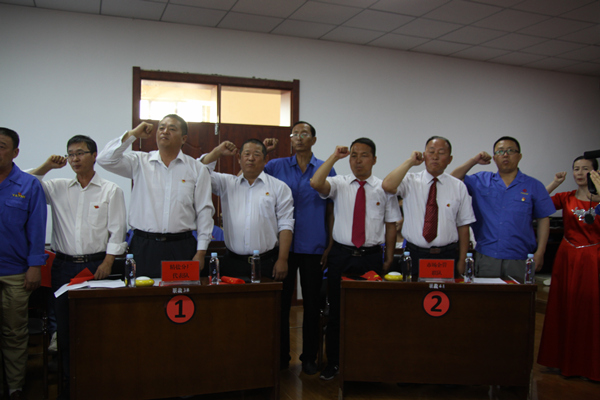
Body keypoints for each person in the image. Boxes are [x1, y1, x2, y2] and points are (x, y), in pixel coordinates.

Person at [27, 135, 127, 399]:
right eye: (70, 154)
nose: (74, 159)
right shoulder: (57, 187)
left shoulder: (110, 190)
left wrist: (108, 262)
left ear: (94, 156)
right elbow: (24, 183)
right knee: (65, 330)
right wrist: (47, 166)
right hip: (63, 267)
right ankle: (68, 384)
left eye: (80, 153)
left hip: (96, 266)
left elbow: (118, 231)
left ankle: (97, 380)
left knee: (96, 327)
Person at [310, 138, 400, 380]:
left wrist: (388, 258)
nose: (358, 160)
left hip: (371, 258)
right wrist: (334, 157)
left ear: (374, 159)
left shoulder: (384, 187)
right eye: (353, 155)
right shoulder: (339, 183)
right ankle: (334, 362)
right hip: (341, 256)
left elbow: (391, 225)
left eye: (364, 155)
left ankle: (366, 363)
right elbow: (316, 183)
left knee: (370, 312)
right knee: (337, 312)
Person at [97, 115, 214, 277]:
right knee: (142, 292)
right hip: (144, 246)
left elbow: (204, 212)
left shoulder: (197, 169)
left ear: (184, 138)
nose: (165, 132)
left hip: (181, 247)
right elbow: (104, 160)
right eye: (161, 128)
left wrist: (201, 252)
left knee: (181, 292)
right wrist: (133, 134)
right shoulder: (140, 162)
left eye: (172, 129)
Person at [261, 121, 335, 375]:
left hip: (315, 245)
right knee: (281, 305)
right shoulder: (275, 166)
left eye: (305, 134)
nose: (299, 138)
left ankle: (309, 357)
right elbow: (248, 177)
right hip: (282, 248)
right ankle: (281, 356)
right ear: (290, 139)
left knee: (312, 305)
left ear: (314, 140)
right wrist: (265, 151)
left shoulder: (326, 168)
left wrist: (330, 244)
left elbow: (331, 210)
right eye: (295, 134)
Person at [451, 136, 555, 279]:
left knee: (519, 294)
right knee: (487, 294)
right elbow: (452, 180)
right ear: (494, 158)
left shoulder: (534, 185)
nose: (505, 155)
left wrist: (540, 252)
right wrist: (474, 160)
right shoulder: (481, 180)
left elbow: (543, 219)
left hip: (520, 257)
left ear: (519, 156)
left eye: (510, 151)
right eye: (500, 151)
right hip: (487, 257)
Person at [537, 157, 600, 382]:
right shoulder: (567, 197)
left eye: (586, 169)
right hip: (567, 256)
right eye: (576, 169)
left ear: (595, 172)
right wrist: (555, 183)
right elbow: (537, 202)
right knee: (564, 305)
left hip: (593, 258)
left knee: (590, 309)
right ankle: (563, 360)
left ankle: (590, 365)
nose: (580, 173)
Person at [200, 139, 294, 282]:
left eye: (256, 154)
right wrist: (217, 151)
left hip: (267, 262)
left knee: (267, 297)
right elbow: (199, 171)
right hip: (233, 262)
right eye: (247, 154)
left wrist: (282, 259)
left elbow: (286, 225)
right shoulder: (226, 183)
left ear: (265, 159)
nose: (251, 158)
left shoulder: (279, 187)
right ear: (239, 158)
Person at [382, 137, 475, 278]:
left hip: (447, 255)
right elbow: (387, 185)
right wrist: (410, 162)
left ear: (450, 159)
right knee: (413, 291)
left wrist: (462, 260)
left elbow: (463, 226)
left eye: (441, 153)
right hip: (414, 254)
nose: (435, 157)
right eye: (431, 152)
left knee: (446, 292)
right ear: (424, 155)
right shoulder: (410, 181)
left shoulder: (458, 186)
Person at [0, 128, 48, 400]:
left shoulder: (28, 185)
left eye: (1, 146)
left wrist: (35, 266)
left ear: (15, 152)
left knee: (14, 332)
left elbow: (37, 228)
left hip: (16, 273)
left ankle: (15, 387)